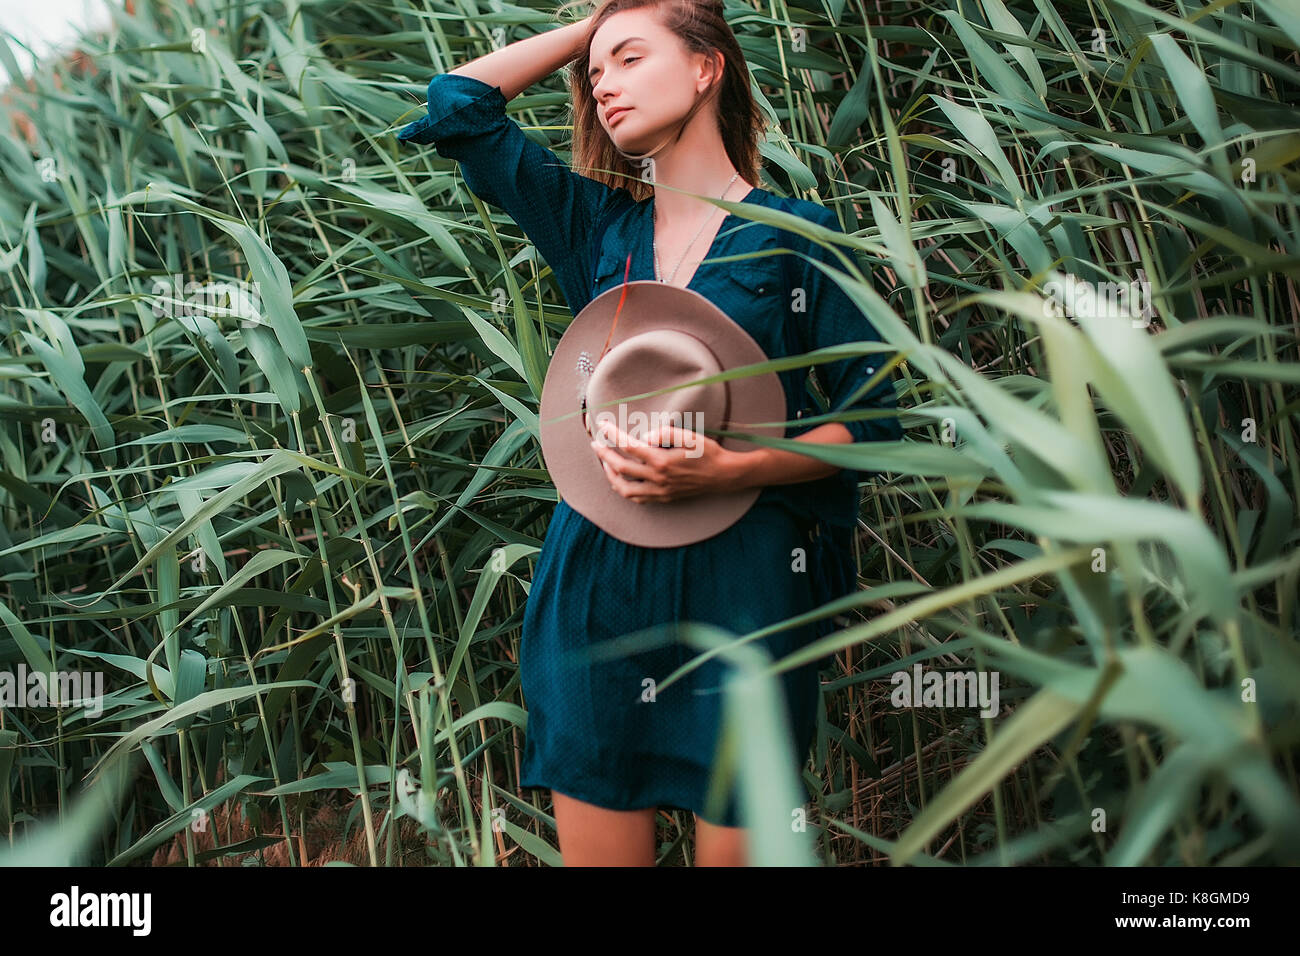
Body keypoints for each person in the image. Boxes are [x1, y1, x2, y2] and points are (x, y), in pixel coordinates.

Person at [397, 0, 902, 866]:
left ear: (708, 67)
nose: (604, 88)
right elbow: (457, 105)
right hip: (595, 585)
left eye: (631, 60)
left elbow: (879, 423)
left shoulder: (799, 238)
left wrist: (730, 466)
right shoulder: (597, 228)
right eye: (595, 78)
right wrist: (591, 28)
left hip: (745, 591)